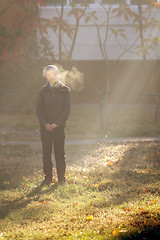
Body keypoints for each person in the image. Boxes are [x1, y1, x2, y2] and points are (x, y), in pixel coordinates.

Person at [36, 65, 70, 185]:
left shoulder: (65, 90)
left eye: (52, 74)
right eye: (48, 75)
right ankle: (47, 178)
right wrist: (45, 124)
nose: (50, 77)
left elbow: (67, 110)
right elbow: (39, 110)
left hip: (59, 128)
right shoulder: (43, 91)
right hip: (45, 129)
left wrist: (57, 124)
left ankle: (61, 179)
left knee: (60, 153)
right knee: (46, 154)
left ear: (57, 74)